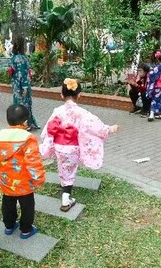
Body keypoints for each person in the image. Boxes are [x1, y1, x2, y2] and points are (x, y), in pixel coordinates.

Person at [40, 78, 119, 212]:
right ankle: (66, 198)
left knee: (63, 167)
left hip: (59, 146)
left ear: (61, 95)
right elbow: (96, 127)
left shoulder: (57, 111)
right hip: (72, 147)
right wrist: (110, 129)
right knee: (70, 170)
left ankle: (64, 184)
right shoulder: (82, 113)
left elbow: (49, 128)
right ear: (79, 95)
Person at [0, 104, 45, 239]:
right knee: (27, 205)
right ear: (25, 122)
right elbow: (33, 161)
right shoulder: (28, 138)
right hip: (24, 182)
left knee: (8, 202)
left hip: (6, 180)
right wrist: (38, 178)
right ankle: (26, 229)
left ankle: (9, 226)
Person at [9, 35, 40, 131]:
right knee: (25, 104)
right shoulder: (21, 59)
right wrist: (25, 87)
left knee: (18, 103)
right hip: (21, 86)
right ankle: (26, 123)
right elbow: (21, 73)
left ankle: (21, 122)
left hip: (16, 85)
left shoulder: (14, 57)